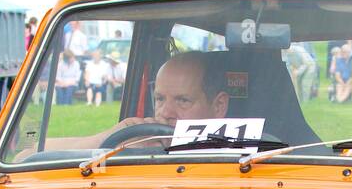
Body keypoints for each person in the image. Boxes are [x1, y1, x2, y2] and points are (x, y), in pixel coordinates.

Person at [44, 51, 229, 151]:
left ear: (219, 105)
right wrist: (114, 137)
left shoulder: (248, 158)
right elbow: (25, 155)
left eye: (182, 100)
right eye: (159, 99)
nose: (165, 112)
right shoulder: (142, 145)